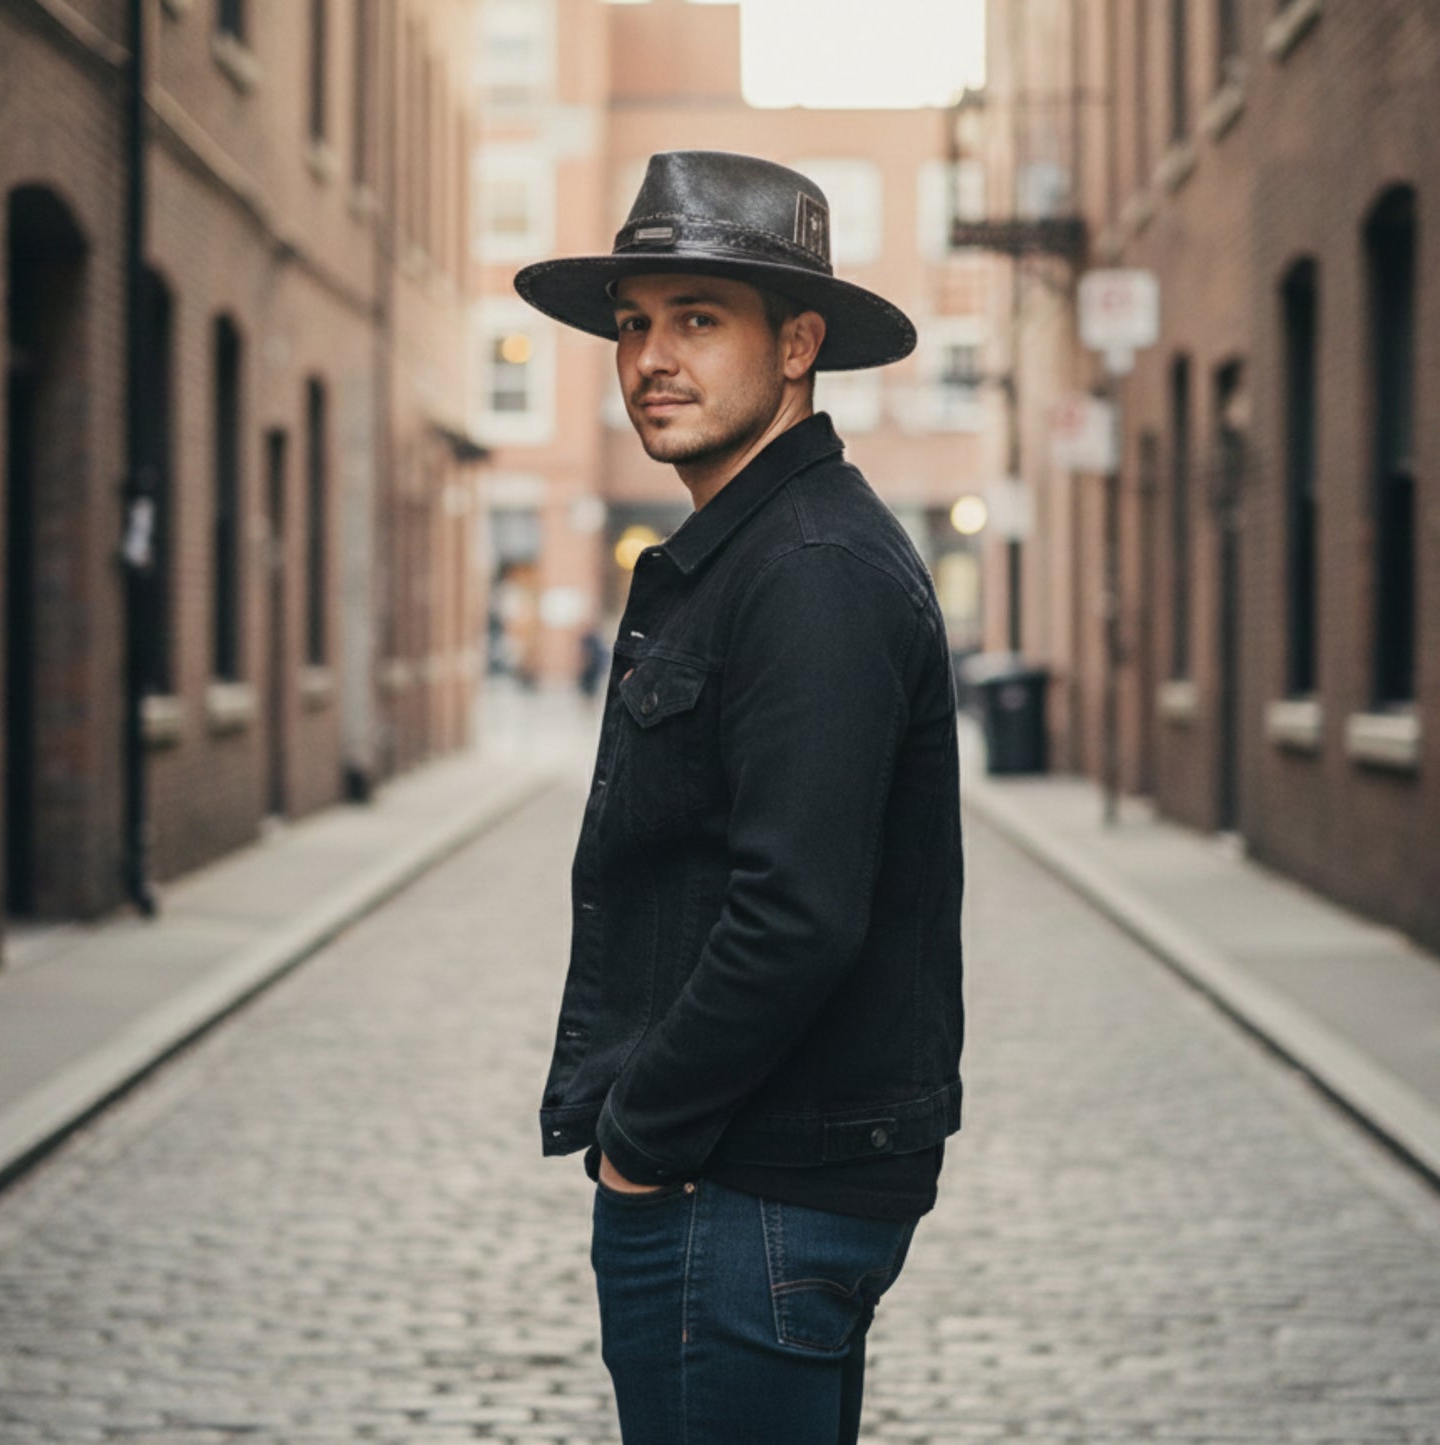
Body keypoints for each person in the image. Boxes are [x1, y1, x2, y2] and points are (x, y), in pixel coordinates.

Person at [515, 150, 964, 1445]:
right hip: (752, 1180)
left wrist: (639, 1142)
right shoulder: (755, 550)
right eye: (633, 323)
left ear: (796, 343)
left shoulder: (809, 567)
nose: (651, 356)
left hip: (743, 1186)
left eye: (697, 319)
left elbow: (795, 911)